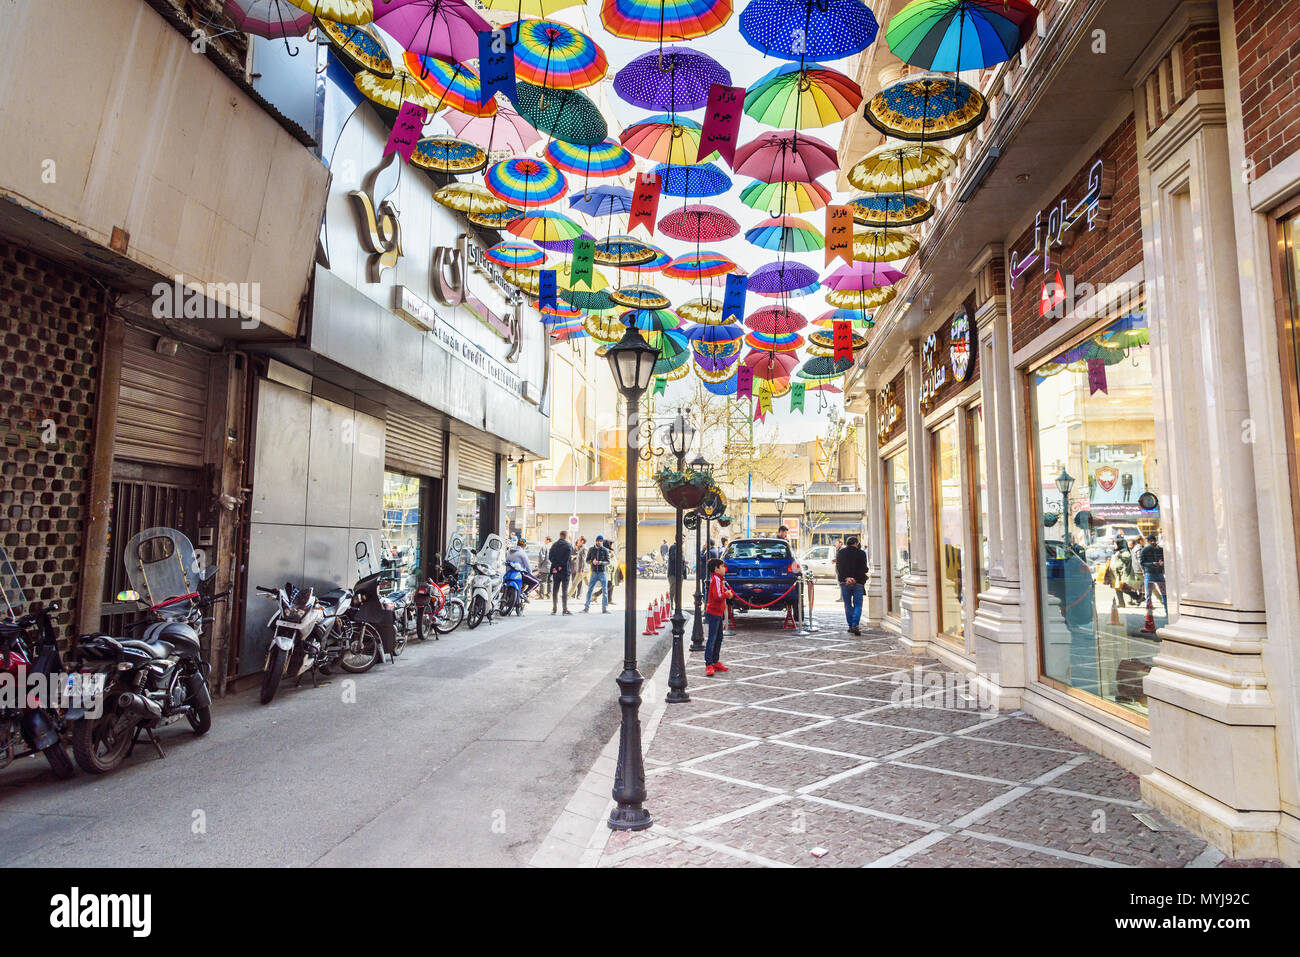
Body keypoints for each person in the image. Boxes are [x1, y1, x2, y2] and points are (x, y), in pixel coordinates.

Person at [703, 557, 734, 677]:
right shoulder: (715, 579)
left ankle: (715, 661)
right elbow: (718, 596)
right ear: (716, 569)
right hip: (714, 613)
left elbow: (721, 591)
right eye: (722, 567)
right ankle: (709, 664)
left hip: (718, 613)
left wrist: (728, 592)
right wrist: (727, 594)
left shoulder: (718, 579)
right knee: (712, 639)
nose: (724, 568)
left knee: (719, 638)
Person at [836, 536, 868, 636]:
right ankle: (855, 624)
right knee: (858, 604)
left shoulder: (841, 553)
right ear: (856, 543)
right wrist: (855, 579)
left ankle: (850, 626)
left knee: (848, 604)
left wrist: (846, 578)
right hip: (858, 582)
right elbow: (864, 568)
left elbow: (839, 567)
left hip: (845, 583)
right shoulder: (861, 553)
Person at [1138, 532, 1167, 612]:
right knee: (1148, 595)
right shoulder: (1145, 550)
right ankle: (1149, 614)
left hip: (1159, 573)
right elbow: (1142, 562)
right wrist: (1153, 564)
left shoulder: (1161, 550)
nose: (1152, 542)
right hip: (1149, 573)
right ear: (1148, 541)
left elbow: (1165, 559)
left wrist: (1162, 564)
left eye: (1153, 540)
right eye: (1150, 541)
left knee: (1164, 594)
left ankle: (1167, 611)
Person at [584, 535, 612, 613]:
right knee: (590, 590)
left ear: (602, 542)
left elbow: (608, 561)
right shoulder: (591, 549)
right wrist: (592, 562)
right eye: (598, 540)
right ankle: (586, 608)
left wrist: (601, 562)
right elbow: (587, 560)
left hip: (602, 572)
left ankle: (604, 609)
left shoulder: (605, 550)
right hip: (593, 572)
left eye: (600, 541)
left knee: (605, 590)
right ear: (596, 541)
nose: (599, 542)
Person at [548, 532, 574, 614]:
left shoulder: (554, 545)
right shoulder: (568, 545)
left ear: (560, 536)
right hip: (565, 570)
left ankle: (554, 609)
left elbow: (550, 557)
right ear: (566, 537)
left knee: (555, 589)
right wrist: (561, 566)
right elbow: (567, 558)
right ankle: (564, 609)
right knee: (564, 590)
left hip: (555, 570)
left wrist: (556, 566)